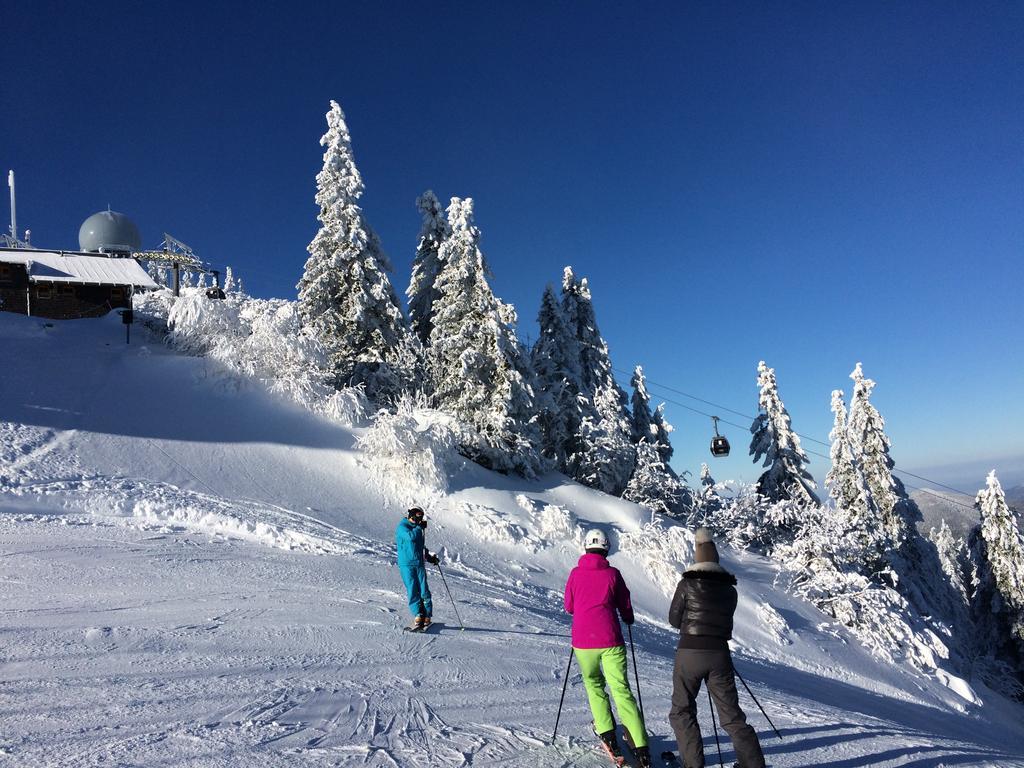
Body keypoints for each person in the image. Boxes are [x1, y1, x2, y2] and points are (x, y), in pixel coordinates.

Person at [668, 528, 766, 768]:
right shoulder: (729, 591)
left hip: (689, 652)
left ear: (697, 559)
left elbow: (673, 619)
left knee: (682, 710)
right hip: (719, 655)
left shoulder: (687, 584)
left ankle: (693, 764)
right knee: (731, 715)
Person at [565, 528, 651, 767]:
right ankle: (641, 746)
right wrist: (628, 617)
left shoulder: (574, 574)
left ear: (585, 547)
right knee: (621, 689)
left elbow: (569, 607)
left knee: (594, 686)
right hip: (611, 639)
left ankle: (607, 732)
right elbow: (625, 603)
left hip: (583, 641)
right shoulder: (613, 574)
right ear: (606, 549)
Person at [395, 506, 439, 630]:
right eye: (417, 517)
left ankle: (427, 615)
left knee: (424, 589)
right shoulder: (402, 527)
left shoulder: (417, 528)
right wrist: (419, 527)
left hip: (419, 563)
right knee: (413, 589)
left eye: (420, 517)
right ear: (411, 516)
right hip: (406, 564)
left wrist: (429, 557)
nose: (419, 520)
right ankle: (418, 614)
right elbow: (410, 538)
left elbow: (419, 545)